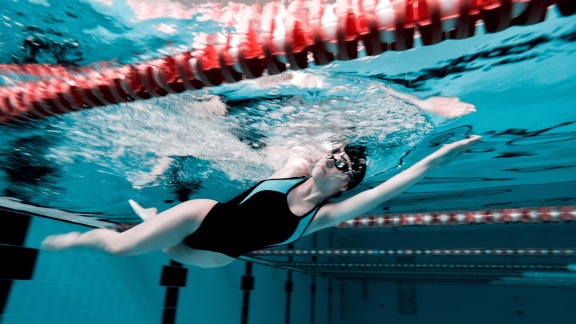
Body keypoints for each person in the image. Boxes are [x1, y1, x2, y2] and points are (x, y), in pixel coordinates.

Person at [41, 95, 480, 268]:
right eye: (334, 154)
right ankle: (81, 240)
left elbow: (392, 187)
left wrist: (437, 159)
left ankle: (155, 219)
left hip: (221, 256)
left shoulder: (324, 215)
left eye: (343, 165)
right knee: (121, 247)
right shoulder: (291, 167)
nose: (333, 161)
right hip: (203, 218)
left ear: (347, 185)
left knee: (170, 255)